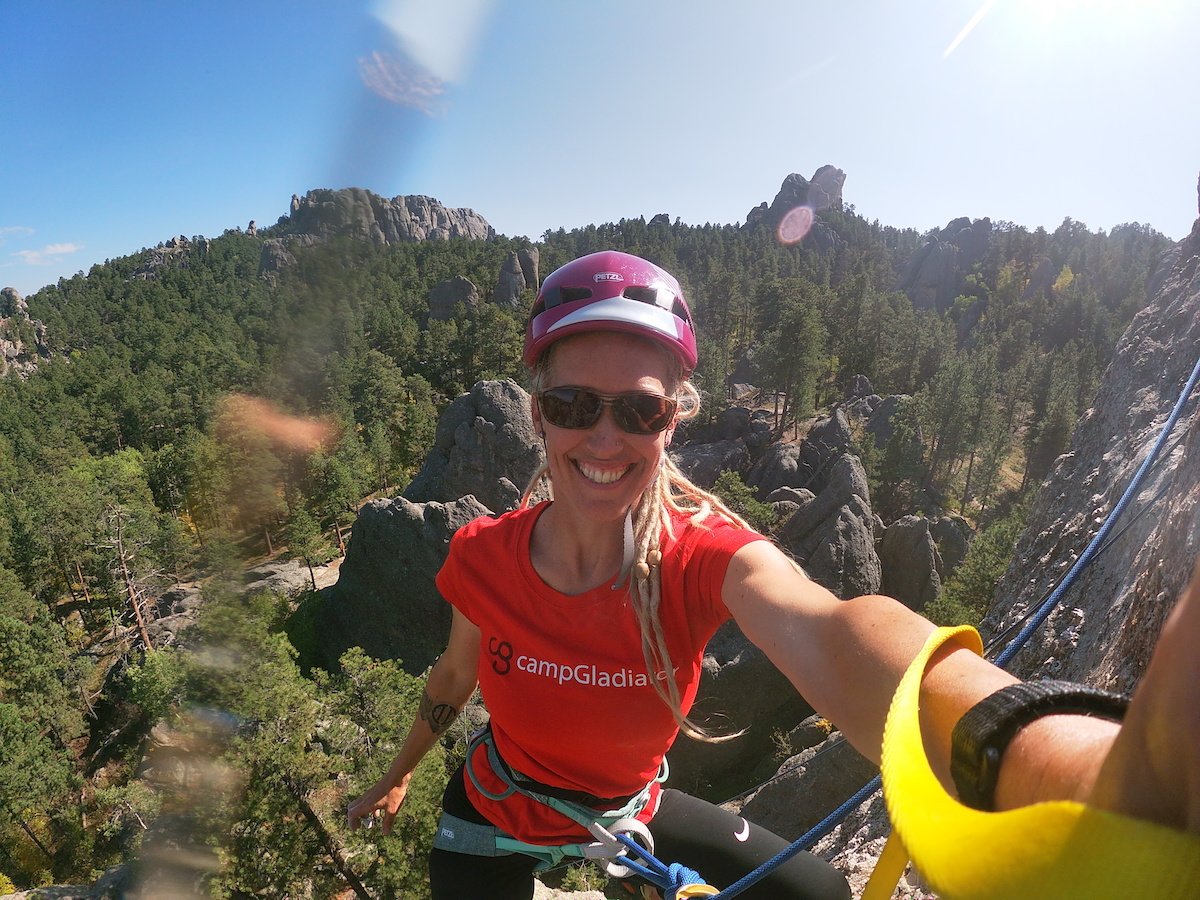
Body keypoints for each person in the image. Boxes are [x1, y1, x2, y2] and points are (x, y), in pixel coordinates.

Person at [347, 250, 1200, 898]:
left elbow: (832, 630)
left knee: (819, 893)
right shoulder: (483, 556)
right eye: (574, 406)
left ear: (673, 421)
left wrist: (1038, 754)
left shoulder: (698, 554)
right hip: (491, 814)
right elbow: (455, 677)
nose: (605, 438)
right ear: (538, 414)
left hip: (626, 814)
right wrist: (400, 772)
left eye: (640, 409)